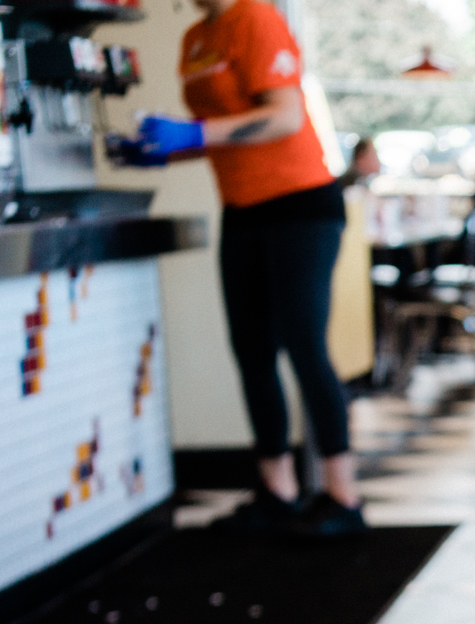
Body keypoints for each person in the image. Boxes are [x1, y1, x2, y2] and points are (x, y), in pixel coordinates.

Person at [121, 0, 363, 536]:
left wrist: (195, 135)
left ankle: (344, 496)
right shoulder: (194, 39)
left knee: (305, 346)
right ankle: (278, 492)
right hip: (243, 209)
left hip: (300, 204)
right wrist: (161, 152)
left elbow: (284, 116)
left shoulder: (254, 18)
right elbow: (220, 134)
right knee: (252, 351)